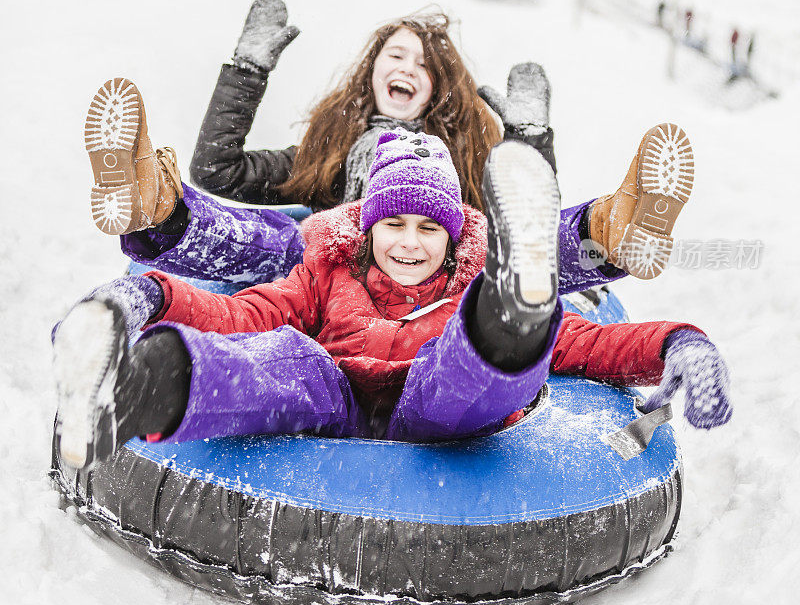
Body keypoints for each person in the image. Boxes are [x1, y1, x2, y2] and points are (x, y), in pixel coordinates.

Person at [54, 131, 731, 472]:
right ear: (367, 226)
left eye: (430, 228)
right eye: (395, 225)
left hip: (441, 410)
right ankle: (129, 394)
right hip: (337, 403)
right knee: (293, 363)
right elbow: (243, 316)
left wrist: (681, 344)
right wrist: (148, 294)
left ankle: (517, 302)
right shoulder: (323, 271)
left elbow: (592, 344)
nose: (410, 243)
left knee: (462, 362)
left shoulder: (464, 279)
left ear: (455, 234)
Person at [86, 0, 695, 293]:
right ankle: (154, 204)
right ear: (372, 72)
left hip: (441, 273)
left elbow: (527, 215)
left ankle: (616, 231)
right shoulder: (332, 155)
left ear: (438, 89)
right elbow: (219, 168)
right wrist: (246, 70)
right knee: (275, 242)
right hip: (334, 269)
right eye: (395, 55)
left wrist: (528, 142)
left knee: (522, 257)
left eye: (424, 64)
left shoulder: (457, 162)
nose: (408, 67)